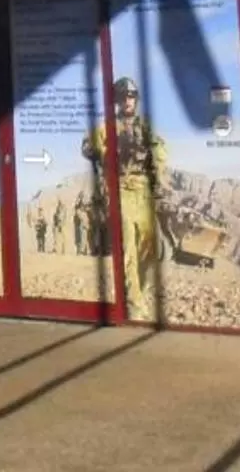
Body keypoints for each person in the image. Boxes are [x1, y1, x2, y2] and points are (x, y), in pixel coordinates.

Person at [83, 76, 168, 319]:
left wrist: (156, 167)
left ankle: (139, 293)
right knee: (128, 247)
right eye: (122, 97)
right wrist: (104, 148)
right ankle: (134, 303)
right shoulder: (107, 128)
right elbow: (88, 147)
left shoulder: (145, 125)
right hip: (120, 187)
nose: (127, 101)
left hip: (143, 189)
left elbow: (161, 153)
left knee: (150, 250)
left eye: (131, 96)